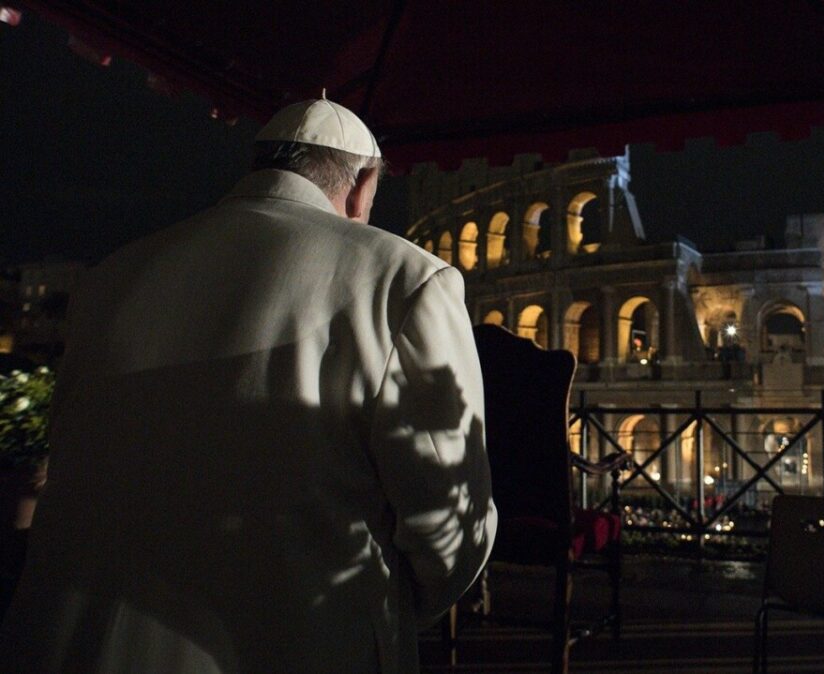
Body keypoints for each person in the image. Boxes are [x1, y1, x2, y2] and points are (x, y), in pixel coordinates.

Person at [0, 98, 496, 673]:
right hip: (290, 644)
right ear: (363, 186)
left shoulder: (111, 275)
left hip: (74, 642)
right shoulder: (407, 279)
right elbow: (448, 520)